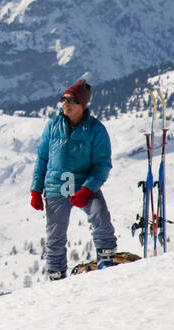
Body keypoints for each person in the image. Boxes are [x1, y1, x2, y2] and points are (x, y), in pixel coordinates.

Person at [29, 78, 118, 280]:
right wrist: (36, 189)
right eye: (64, 99)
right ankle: (55, 275)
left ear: (83, 105)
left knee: (100, 218)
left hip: (84, 186)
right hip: (55, 187)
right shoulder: (52, 126)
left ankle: (107, 260)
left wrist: (87, 189)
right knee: (55, 236)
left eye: (72, 100)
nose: (66, 103)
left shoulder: (96, 129)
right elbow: (42, 158)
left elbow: (102, 164)